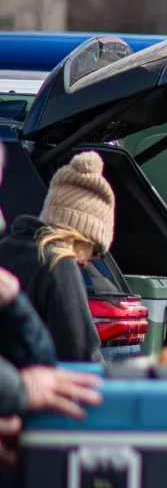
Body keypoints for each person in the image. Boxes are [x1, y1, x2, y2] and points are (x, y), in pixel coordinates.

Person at [0, 152, 116, 362]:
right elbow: (81, 355)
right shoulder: (59, 264)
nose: (88, 261)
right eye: (95, 250)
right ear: (81, 234)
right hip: (41, 392)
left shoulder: (5, 249)